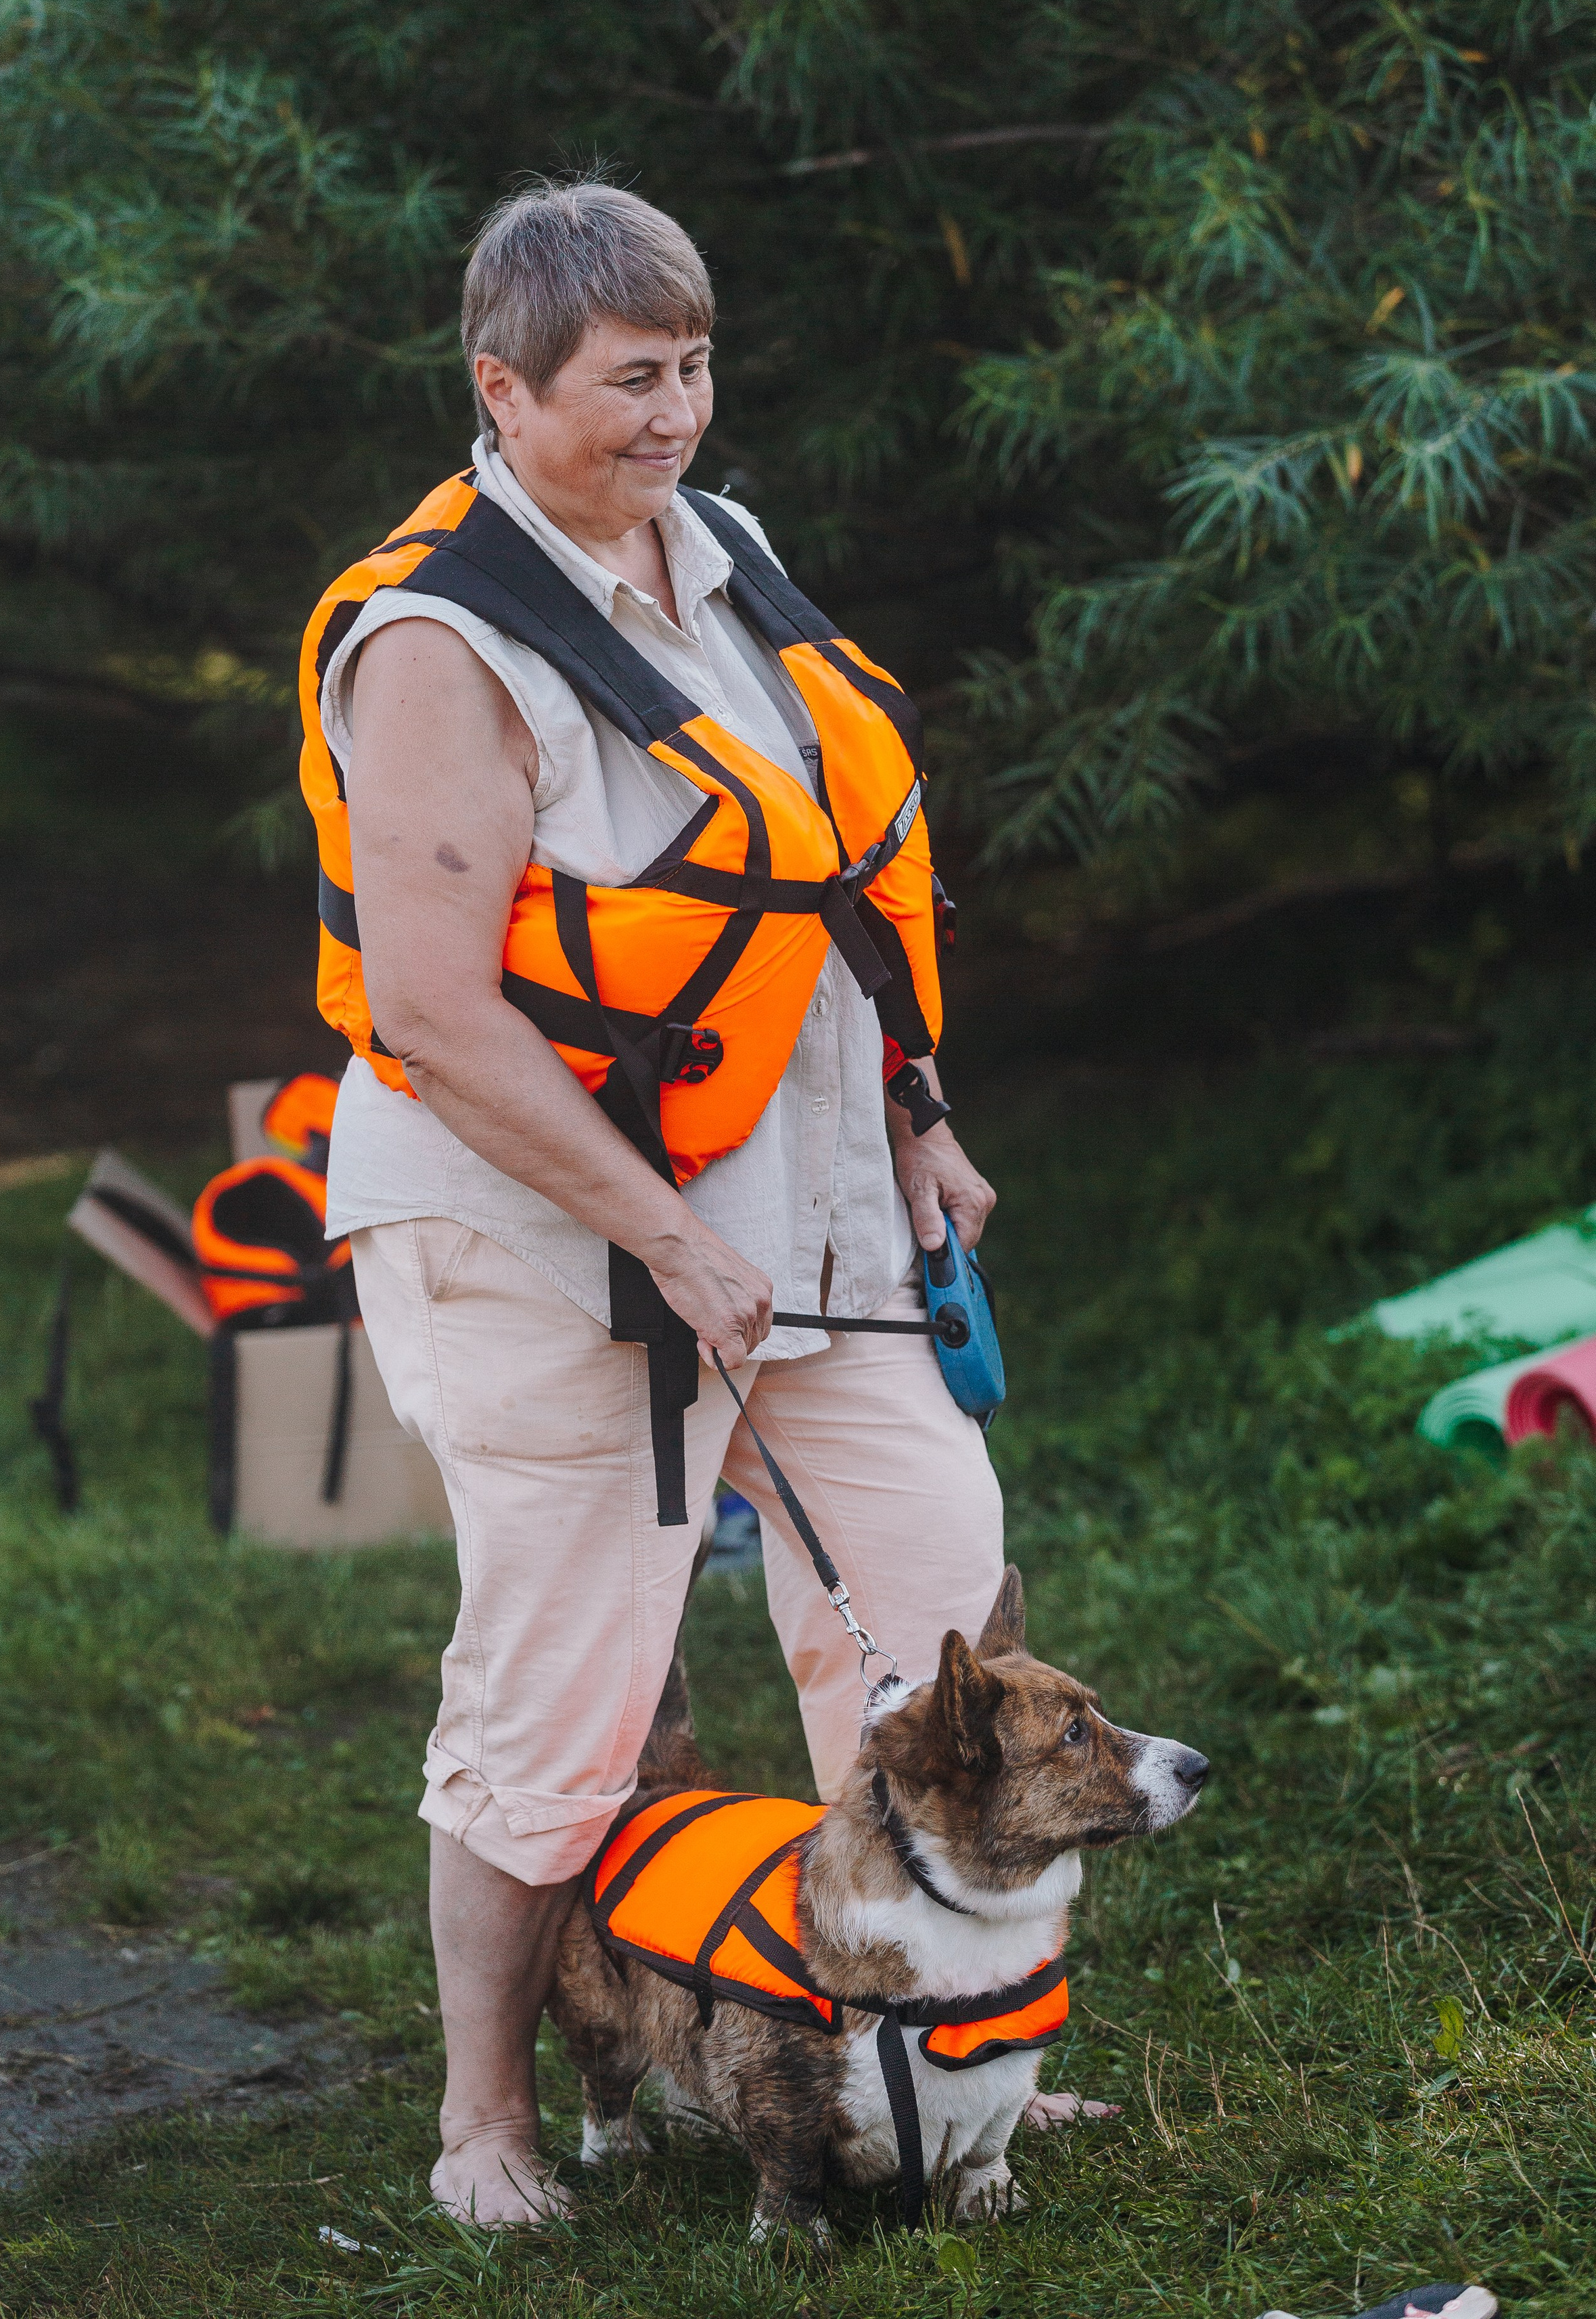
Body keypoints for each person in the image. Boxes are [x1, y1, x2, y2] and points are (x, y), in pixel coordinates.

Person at [298, 178, 1013, 2226]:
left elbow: (822, 886)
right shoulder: (438, 640)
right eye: (630, 381)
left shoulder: (726, 553)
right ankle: (488, 2121)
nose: (675, 413)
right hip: (541, 1237)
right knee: (567, 1681)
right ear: (501, 388)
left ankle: (910, 2047)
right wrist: (667, 1232)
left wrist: (914, 1113)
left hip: (807, 1221)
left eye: (694, 366)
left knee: (932, 1596)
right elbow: (434, 1007)